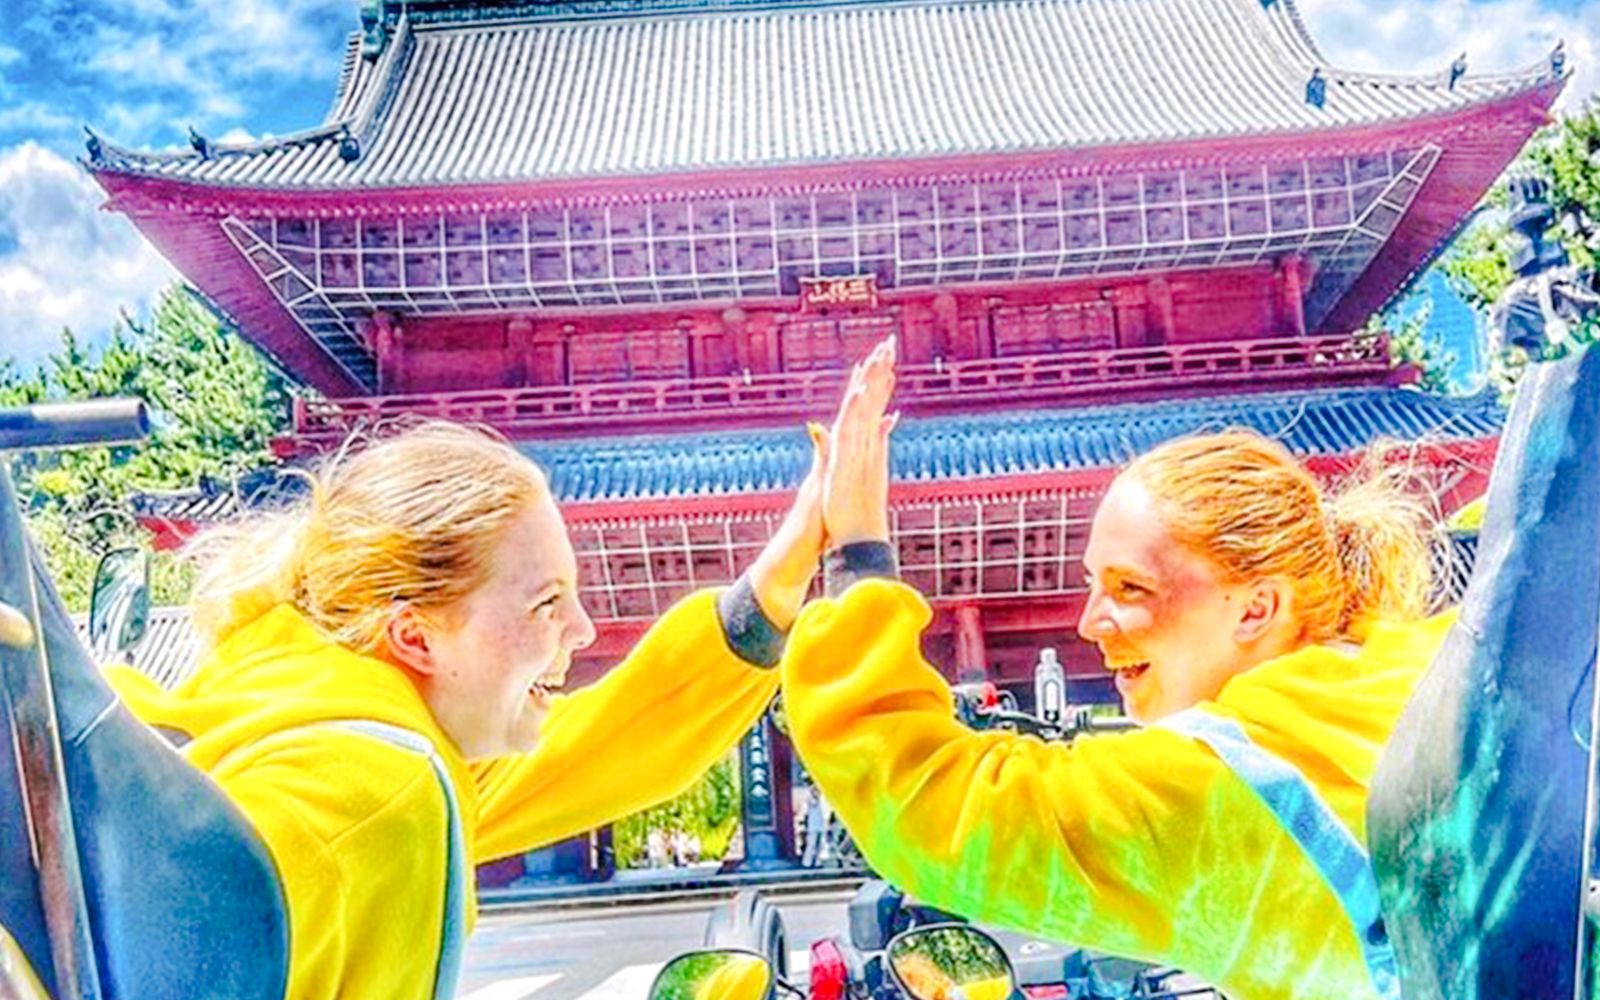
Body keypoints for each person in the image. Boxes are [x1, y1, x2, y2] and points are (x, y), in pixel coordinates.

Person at [782, 339, 1445, 1000]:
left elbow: (931, 808)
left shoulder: (1221, 785)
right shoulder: (1438, 671)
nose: (1089, 623)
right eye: (1092, 584)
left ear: (1257, 608)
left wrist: (857, 556)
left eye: (1130, 589)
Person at [104, 412, 841, 1000]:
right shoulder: (380, 799)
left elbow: (594, 750)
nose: (582, 632)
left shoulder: (321, 722)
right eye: (547, 603)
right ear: (415, 636)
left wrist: (774, 590)